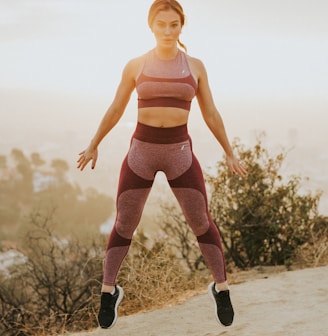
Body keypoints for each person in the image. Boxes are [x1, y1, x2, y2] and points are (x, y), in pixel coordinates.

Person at [77, 0, 247, 330]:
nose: (168, 31)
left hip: (179, 153)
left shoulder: (195, 66)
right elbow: (116, 108)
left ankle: (221, 288)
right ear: (151, 26)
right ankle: (108, 291)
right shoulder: (135, 65)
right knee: (125, 221)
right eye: (161, 24)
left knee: (200, 220)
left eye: (174, 25)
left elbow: (210, 113)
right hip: (142, 151)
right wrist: (93, 143)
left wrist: (229, 151)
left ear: (181, 26)